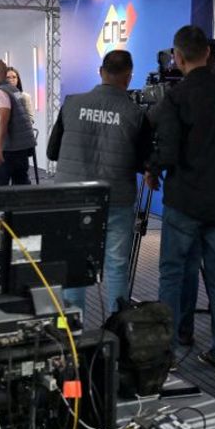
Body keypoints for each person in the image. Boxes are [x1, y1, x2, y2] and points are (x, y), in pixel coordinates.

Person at [146, 25, 215, 373]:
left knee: (173, 273)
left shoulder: (175, 98)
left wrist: (153, 169)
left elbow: (169, 150)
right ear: (208, 53)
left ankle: (170, 350)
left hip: (184, 201)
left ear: (177, 58)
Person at [47, 50, 153, 316]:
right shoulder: (136, 114)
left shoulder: (71, 103)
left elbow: (51, 152)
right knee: (117, 266)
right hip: (115, 198)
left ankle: (73, 333)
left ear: (101, 71)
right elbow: (144, 162)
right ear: (128, 77)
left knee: (74, 264)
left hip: (72, 196)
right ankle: (119, 331)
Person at [0, 58, 34, 186]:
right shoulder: (14, 90)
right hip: (19, 148)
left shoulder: (0, 92)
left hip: (7, 150)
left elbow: (3, 121)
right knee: (21, 186)